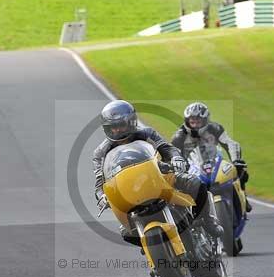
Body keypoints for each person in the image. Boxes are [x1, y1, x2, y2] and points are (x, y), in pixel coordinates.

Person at [92, 100, 223, 246]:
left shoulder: (147, 133)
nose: (118, 130)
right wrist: (101, 196)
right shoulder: (101, 152)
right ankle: (152, 250)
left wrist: (176, 158)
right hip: (128, 190)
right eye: (113, 127)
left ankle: (207, 220)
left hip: (160, 176)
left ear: (131, 122)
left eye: (121, 125)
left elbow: (166, 147)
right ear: (107, 129)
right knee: (127, 232)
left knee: (196, 183)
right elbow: (99, 180)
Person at [171, 102, 251, 212]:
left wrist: (235, 160)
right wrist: (176, 168)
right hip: (192, 169)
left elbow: (230, 144)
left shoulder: (215, 128)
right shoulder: (179, 135)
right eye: (192, 121)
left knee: (240, 170)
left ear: (205, 120)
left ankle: (244, 197)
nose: (194, 124)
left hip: (216, 162)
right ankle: (190, 216)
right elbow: (171, 154)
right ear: (187, 121)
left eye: (198, 121)